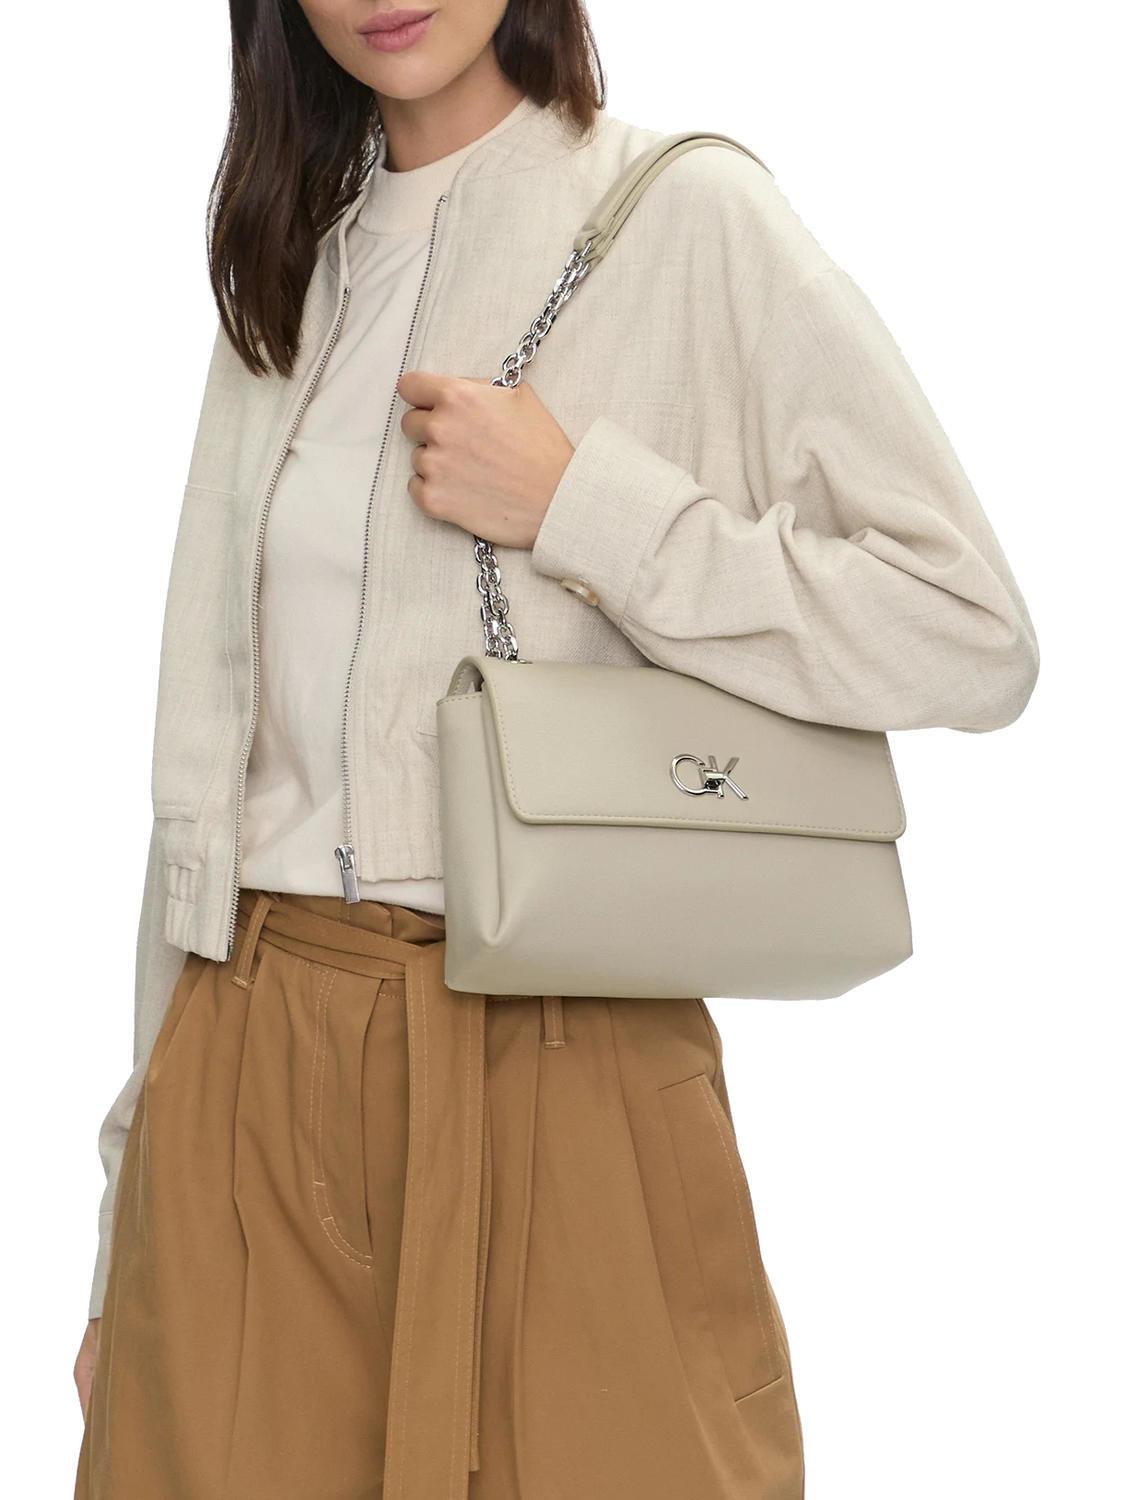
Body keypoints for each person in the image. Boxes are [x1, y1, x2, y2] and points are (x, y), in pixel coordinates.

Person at [72, 2, 1040, 1496]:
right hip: (243, 1073)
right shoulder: (284, 272)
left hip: (567, 1062)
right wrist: (121, 1229)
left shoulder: (684, 217)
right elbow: (201, 771)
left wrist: (586, 506)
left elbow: (968, 632)